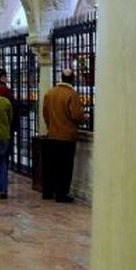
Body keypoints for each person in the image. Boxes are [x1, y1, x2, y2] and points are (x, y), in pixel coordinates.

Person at [41, 68, 87, 203]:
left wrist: (51, 126)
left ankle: (48, 192)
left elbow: (45, 113)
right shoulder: (71, 94)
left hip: (52, 135)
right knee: (65, 167)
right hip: (67, 136)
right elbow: (76, 115)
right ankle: (61, 194)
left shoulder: (50, 92)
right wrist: (85, 117)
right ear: (73, 79)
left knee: (52, 166)